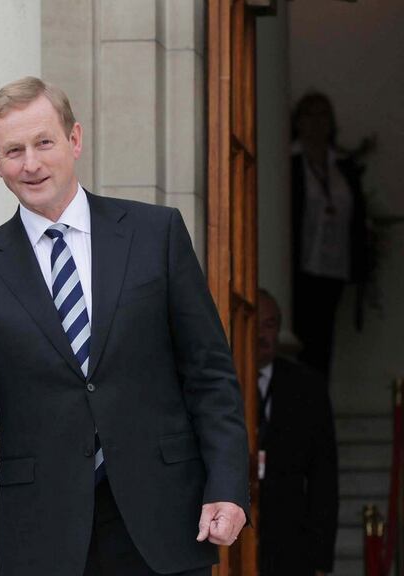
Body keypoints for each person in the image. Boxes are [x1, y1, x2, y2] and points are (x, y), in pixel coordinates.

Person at [0, 76, 249, 575]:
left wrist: (226, 485)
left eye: (43, 143)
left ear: (74, 140)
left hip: (165, 518)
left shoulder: (156, 233)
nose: (30, 163)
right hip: (44, 528)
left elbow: (209, 374)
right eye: (13, 151)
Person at [256, 289, 338, 576]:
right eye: (255, 323)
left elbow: (324, 478)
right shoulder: (224, 381)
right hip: (234, 533)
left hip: (290, 538)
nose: (262, 334)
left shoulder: (307, 387)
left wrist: (320, 559)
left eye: (270, 324)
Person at [290, 91, 370, 377]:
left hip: (333, 268)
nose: (316, 122)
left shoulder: (343, 166)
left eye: (323, 114)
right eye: (309, 114)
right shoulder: (289, 164)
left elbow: (356, 217)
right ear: (298, 121)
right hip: (299, 268)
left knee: (323, 345)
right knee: (297, 341)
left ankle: (317, 406)